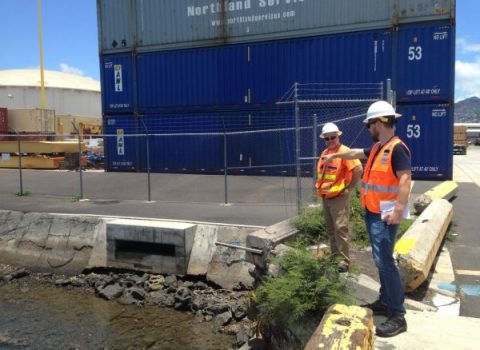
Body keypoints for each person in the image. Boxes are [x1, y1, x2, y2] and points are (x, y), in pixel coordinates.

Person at [323, 101, 412, 338]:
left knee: (384, 261)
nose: (367, 128)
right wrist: (336, 154)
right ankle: (385, 301)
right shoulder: (378, 148)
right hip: (374, 211)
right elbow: (354, 153)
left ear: (380, 122)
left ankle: (397, 315)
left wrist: (398, 210)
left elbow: (405, 179)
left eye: (369, 124)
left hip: (386, 214)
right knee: (380, 259)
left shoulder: (396, 149)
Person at [315, 122, 362, 273]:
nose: (330, 141)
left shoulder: (344, 151)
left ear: (338, 136)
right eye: (327, 139)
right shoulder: (325, 153)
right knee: (330, 229)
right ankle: (335, 257)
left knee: (340, 228)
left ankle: (344, 260)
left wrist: (349, 188)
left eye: (333, 137)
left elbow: (358, 169)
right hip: (326, 196)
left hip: (339, 196)